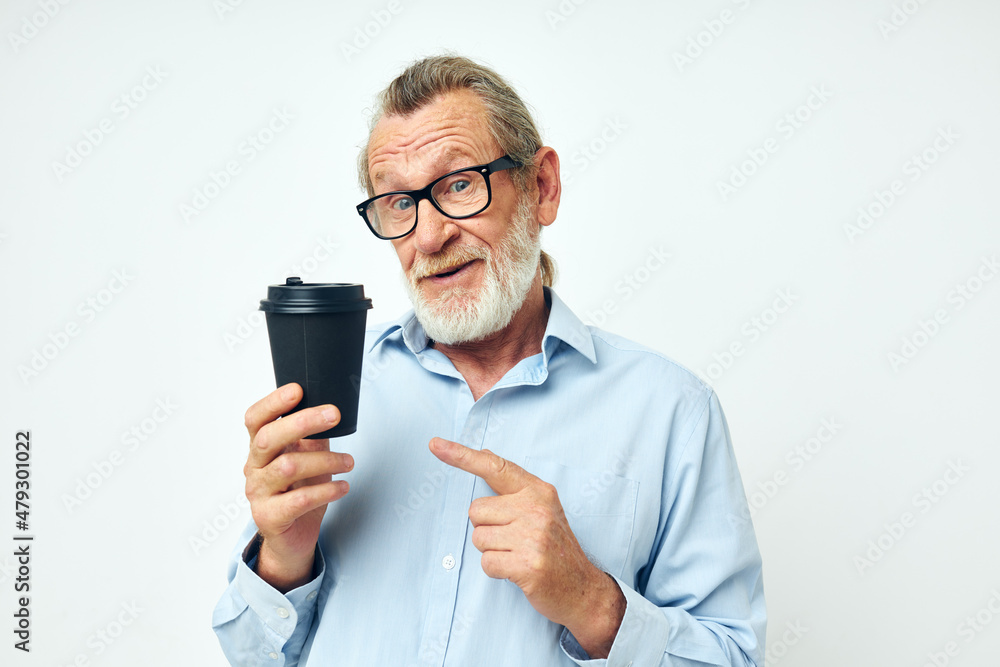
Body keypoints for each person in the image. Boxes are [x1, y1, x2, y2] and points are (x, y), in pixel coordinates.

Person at [213, 54, 766, 666]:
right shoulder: (335, 400)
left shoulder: (673, 412)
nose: (427, 237)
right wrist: (282, 559)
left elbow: (731, 657)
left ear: (541, 188)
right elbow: (251, 656)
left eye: (458, 185)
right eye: (398, 203)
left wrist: (590, 601)